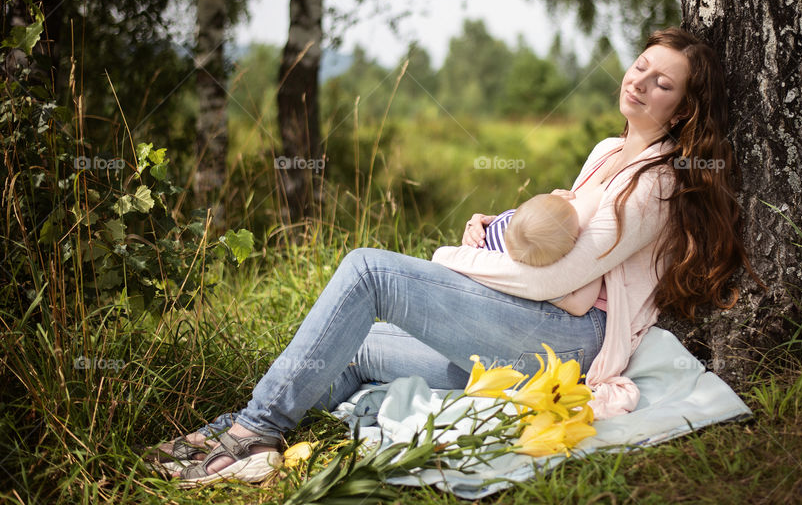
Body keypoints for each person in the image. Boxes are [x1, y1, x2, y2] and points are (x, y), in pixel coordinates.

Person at [150, 27, 763, 486]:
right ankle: (236, 433)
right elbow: (554, 238)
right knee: (362, 349)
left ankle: (252, 434)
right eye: (640, 66)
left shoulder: (657, 182)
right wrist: (497, 232)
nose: (640, 82)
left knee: (369, 272)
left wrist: (452, 261)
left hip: (570, 341)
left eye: (663, 83)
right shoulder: (607, 150)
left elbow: (568, 273)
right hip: (533, 321)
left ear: (682, 108)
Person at [481, 190, 605, 316]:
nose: (580, 229)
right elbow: (579, 306)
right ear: (560, 258)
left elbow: (533, 218)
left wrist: (548, 203)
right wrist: (597, 256)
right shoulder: (542, 277)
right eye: (576, 234)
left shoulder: (502, 221)